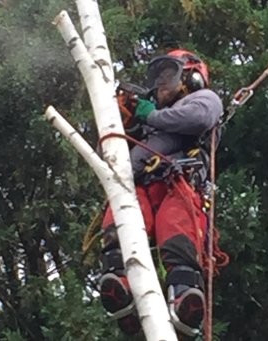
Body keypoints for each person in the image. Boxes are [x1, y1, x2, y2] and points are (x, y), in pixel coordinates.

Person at [98, 49, 223, 337]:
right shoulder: (147, 126)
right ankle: (121, 286)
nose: (162, 83)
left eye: (170, 75)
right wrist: (123, 122)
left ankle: (184, 298)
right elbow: (108, 156)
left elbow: (199, 119)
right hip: (139, 185)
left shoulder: (203, 100)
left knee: (176, 228)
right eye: (159, 78)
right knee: (120, 220)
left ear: (191, 77)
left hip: (178, 182)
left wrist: (150, 114)